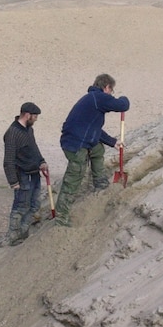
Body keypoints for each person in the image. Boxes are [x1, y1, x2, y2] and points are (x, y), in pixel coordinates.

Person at [54, 74, 129, 227]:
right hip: (75, 144)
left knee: (97, 150)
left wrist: (113, 142)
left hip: (80, 140)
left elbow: (95, 129)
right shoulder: (98, 97)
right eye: (111, 90)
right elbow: (123, 105)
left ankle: (100, 182)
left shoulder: (92, 100)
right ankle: (61, 217)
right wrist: (124, 98)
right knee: (74, 176)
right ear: (106, 87)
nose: (111, 94)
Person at [3, 101, 48, 246]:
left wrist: (42, 161)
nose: (36, 119)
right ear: (27, 115)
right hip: (22, 176)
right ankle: (13, 237)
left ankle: (23, 233)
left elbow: (33, 148)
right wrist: (13, 182)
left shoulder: (29, 130)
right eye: (35, 117)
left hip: (34, 173)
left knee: (34, 205)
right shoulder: (12, 133)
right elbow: (8, 159)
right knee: (20, 207)